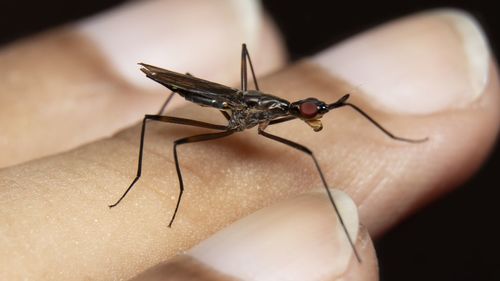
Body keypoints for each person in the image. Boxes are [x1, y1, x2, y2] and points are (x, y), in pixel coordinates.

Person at [0, 1, 498, 280]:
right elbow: (252, 105)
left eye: (311, 111)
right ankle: (140, 182)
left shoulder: (289, 112)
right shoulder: (268, 113)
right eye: (310, 110)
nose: (312, 114)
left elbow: (311, 110)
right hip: (217, 100)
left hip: (243, 104)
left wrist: (338, 114)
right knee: (164, 131)